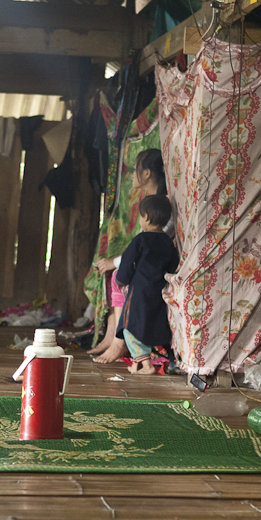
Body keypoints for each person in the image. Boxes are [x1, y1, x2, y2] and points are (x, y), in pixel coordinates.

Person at [89, 148, 169, 363]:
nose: (132, 175)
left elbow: (148, 248)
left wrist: (116, 264)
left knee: (117, 277)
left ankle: (119, 342)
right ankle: (111, 336)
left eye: (135, 170)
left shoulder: (161, 205)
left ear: (147, 174)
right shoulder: (154, 203)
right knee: (111, 273)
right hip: (148, 264)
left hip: (153, 271)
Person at [114, 194, 179, 375]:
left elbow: (127, 262)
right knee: (147, 325)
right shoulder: (168, 242)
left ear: (147, 217)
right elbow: (173, 266)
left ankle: (147, 365)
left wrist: (121, 281)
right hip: (157, 291)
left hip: (139, 292)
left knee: (129, 327)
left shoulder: (140, 240)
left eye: (141, 216)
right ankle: (137, 364)